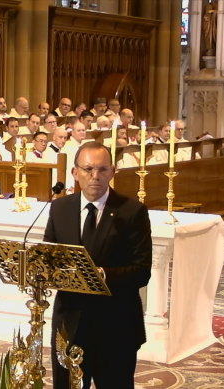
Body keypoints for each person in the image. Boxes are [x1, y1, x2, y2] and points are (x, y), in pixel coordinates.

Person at [44, 141, 152, 389]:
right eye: (88, 169)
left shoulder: (132, 212)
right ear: (75, 172)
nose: (95, 177)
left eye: (102, 170)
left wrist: (102, 274)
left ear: (112, 171)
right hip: (69, 325)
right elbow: (49, 257)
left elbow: (141, 271)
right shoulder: (60, 208)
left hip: (115, 325)